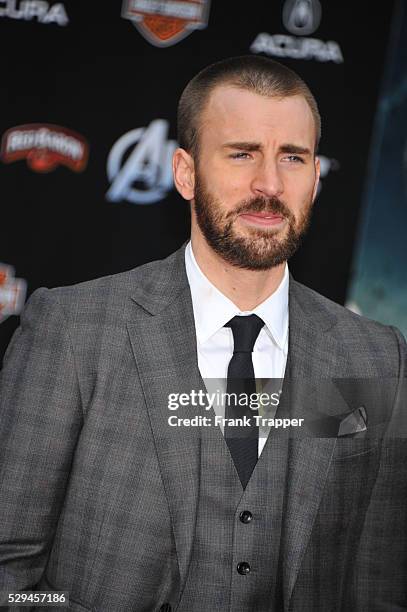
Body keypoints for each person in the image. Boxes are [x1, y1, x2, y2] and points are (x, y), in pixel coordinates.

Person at [0, 55, 406, 612]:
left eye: (292, 157)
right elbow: (8, 575)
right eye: (241, 154)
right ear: (186, 173)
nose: (269, 184)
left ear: (315, 178)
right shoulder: (73, 332)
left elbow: (379, 585)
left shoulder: (375, 356)